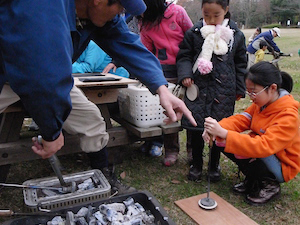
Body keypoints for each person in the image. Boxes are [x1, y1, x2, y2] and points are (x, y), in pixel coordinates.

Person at [0, 0, 196, 194]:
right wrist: (52, 132)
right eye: (120, 8)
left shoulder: (97, 15)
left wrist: (161, 88)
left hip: (50, 78)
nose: (120, 14)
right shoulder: (42, 6)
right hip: (9, 74)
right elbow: (40, 71)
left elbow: (128, 44)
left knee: (92, 121)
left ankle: (104, 178)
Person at [203, 61, 300, 205]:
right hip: (265, 152)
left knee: (234, 142)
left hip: (282, 164)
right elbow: (242, 119)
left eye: (254, 91)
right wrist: (218, 128)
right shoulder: (260, 104)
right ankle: (254, 179)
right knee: (221, 141)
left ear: (272, 88)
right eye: (249, 91)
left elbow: (264, 146)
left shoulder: (288, 116)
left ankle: (270, 184)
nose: (251, 97)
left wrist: (225, 133)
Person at [176, 0, 247, 182]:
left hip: (224, 91)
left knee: (219, 128)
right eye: (207, 15)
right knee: (197, 127)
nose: (211, 19)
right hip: (198, 89)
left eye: (216, 15)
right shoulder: (194, 32)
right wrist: (185, 74)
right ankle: (197, 164)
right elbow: (184, 55)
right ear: (201, 11)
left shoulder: (235, 35)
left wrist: (239, 88)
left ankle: (214, 165)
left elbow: (241, 63)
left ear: (226, 10)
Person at [138, 0, 193, 166]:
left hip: (187, 67)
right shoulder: (144, 23)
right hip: (163, 71)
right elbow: (146, 51)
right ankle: (171, 149)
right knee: (168, 110)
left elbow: (192, 36)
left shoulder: (177, 12)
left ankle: (192, 150)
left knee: (191, 109)